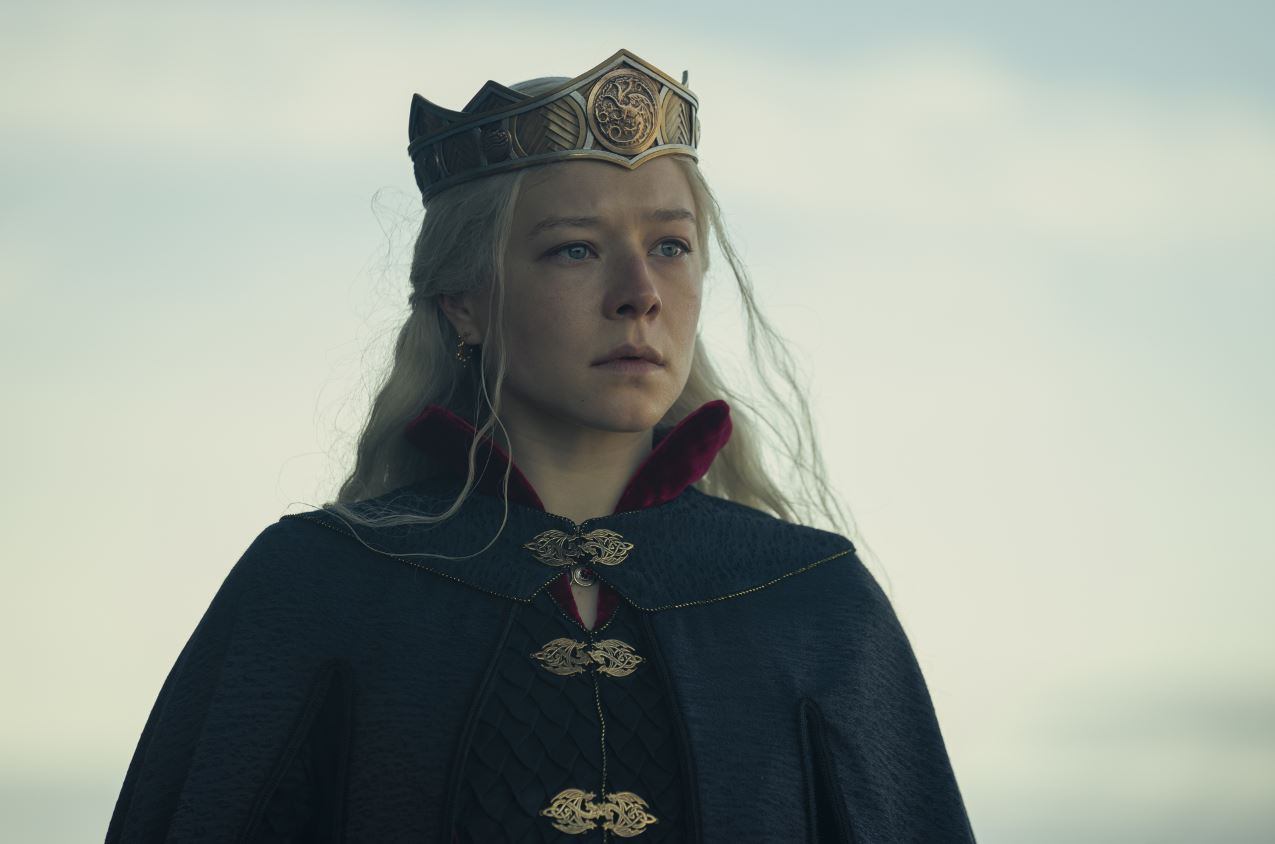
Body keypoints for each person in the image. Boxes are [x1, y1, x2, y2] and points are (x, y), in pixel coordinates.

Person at [106, 48, 976, 842]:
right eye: (574, 250)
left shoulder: (814, 601)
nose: (639, 293)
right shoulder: (315, 583)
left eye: (669, 246)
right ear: (463, 305)